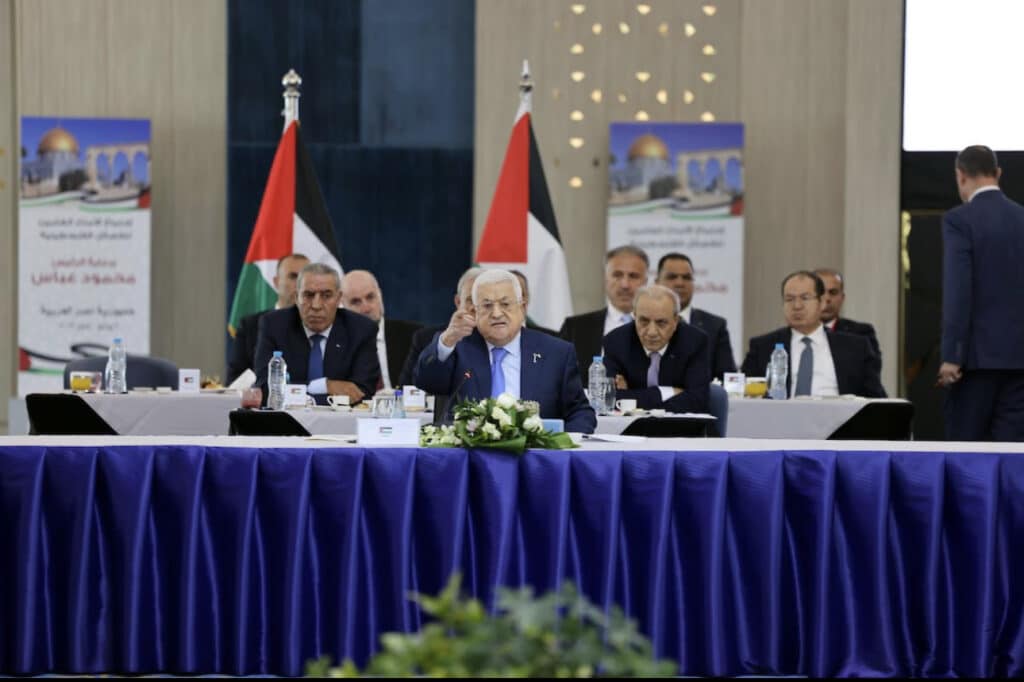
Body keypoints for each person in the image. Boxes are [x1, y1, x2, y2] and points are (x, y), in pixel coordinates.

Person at [414, 269, 596, 433]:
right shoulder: (459, 347)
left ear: (522, 308)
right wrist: (447, 340)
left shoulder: (556, 353)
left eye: (505, 304)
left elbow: (580, 412)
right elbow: (426, 381)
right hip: (471, 456)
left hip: (537, 457)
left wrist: (563, 446)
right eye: (486, 306)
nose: (496, 313)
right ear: (474, 311)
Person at [939, 145, 1024, 441]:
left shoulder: (959, 220)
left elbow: (958, 290)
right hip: (1019, 362)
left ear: (960, 176)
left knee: (968, 454)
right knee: (1014, 455)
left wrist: (952, 355)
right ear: (998, 173)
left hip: (975, 361)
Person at [741, 270, 885, 398]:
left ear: (822, 302)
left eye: (805, 298)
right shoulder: (763, 347)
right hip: (780, 423)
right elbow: (743, 394)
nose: (797, 306)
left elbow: (875, 399)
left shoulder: (855, 347)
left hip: (841, 423)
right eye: (789, 299)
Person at [254, 262, 379, 405]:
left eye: (326, 296)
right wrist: (325, 386)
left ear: (339, 299)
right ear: (296, 297)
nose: (316, 305)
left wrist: (300, 395)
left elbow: (362, 391)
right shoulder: (274, 325)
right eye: (308, 295)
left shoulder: (361, 329)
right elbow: (266, 389)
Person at [601, 285, 710, 413]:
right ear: (634, 316)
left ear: (676, 320)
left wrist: (631, 395)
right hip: (631, 429)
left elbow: (697, 401)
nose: (652, 332)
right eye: (644, 321)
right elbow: (609, 399)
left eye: (661, 322)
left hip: (683, 428)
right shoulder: (616, 342)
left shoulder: (695, 342)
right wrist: (665, 392)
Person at [559, 245, 649, 381]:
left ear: (645, 282)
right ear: (605, 279)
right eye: (617, 275)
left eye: (633, 276)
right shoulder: (575, 328)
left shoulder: (662, 327)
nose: (625, 284)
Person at [226, 253, 309, 384]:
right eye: (293, 277)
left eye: (305, 279)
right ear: (276, 282)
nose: (300, 285)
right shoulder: (251, 325)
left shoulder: (320, 326)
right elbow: (235, 381)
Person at [655, 252, 737, 380]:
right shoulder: (642, 323)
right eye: (672, 277)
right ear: (657, 283)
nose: (680, 283)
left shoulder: (715, 326)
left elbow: (727, 378)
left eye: (687, 277)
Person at [397, 267, 482, 388]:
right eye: (471, 300)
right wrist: (448, 341)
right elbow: (408, 388)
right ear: (458, 302)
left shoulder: (504, 339)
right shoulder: (426, 338)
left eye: (484, 301)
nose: (477, 307)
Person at [340, 269, 421, 390]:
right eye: (356, 302)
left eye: (370, 297)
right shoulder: (337, 343)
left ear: (380, 296)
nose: (366, 308)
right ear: (342, 306)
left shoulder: (413, 335)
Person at [813, 267, 882, 364]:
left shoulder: (861, 334)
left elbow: (871, 375)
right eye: (821, 292)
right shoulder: (791, 335)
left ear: (842, 298)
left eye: (833, 293)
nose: (827, 298)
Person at [509, 269, 558, 336]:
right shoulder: (490, 338)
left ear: (527, 298)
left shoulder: (553, 339)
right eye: (510, 295)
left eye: (521, 294)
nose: (517, 301)